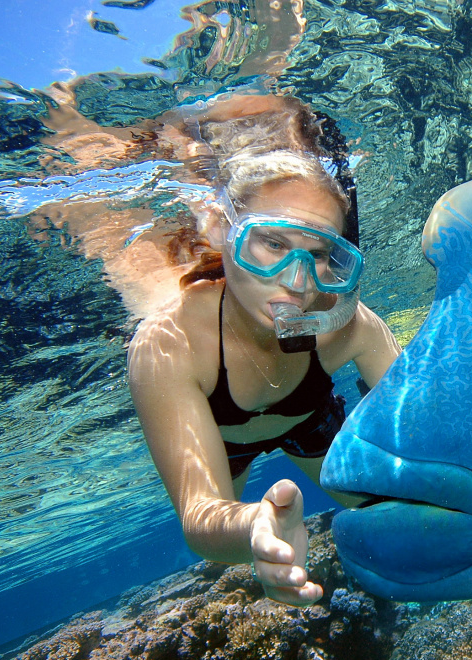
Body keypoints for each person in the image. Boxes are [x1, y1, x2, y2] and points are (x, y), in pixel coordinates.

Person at [127, 95, 401, 607]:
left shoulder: (348, 326)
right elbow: (201, 516)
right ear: (220, 231)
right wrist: (255, 523)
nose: (296, 284)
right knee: (221, 553)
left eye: (320, 254)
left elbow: (426, 419)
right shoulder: (171, 343)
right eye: (271, 244)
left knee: (382, 505)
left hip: (308, 419)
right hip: (226, 442)